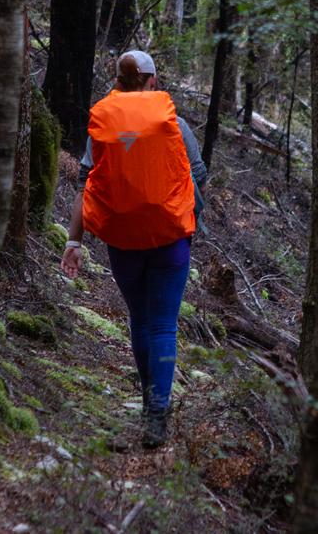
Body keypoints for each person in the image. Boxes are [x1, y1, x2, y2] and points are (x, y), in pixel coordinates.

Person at [60, 50, 207, 448]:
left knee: (141, 322)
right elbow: (199, 178)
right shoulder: (172, 123)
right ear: (152, 81)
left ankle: (149, 404)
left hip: (123, 242)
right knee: (163, 325)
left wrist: (74, 241)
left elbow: (85, 186)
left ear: (118, 80)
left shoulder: (104, 126)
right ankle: (156, 414)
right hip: (170, 239)